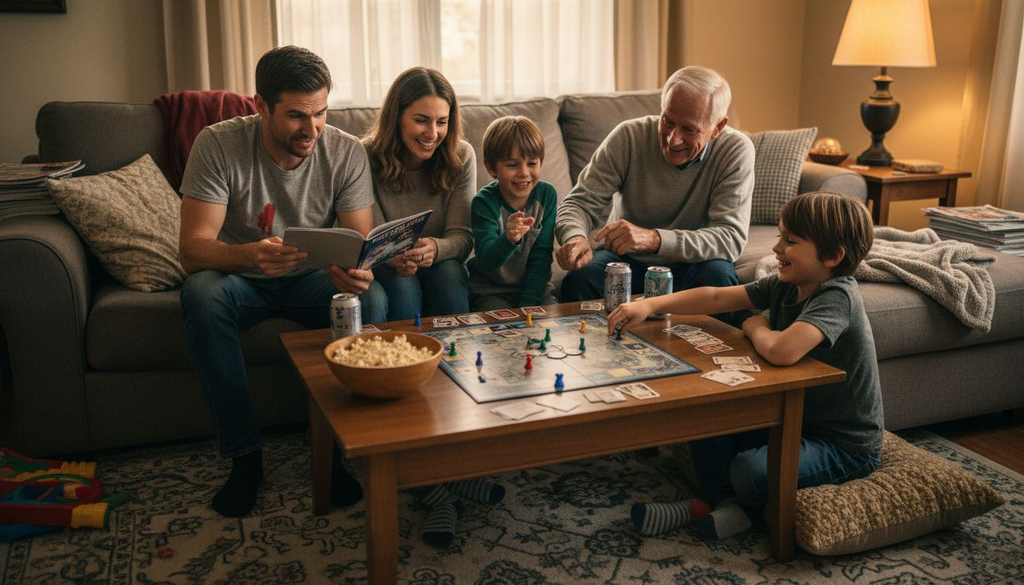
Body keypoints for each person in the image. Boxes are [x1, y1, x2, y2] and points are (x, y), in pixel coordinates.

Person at [608, 191, 883, 539]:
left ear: (832, 256)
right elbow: (715, 297)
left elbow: (782, 351)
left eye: (790, 240)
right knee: (703, 412)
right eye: (780, 236)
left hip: (843, 445)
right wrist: (649, 306)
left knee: (749, 470)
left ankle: (719, 506)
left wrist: (755, 325)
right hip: (791, 418)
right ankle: (724, 506)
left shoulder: (837, 296)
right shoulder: (788, 284)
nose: (776, 247)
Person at [178, 46, 377, 517]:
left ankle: (336, 452)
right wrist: (246, 254)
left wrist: (356, 271)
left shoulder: (345, 151)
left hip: (311, 280)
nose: (312, 130)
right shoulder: (218, 144)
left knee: (373, 300)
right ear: (260, 106)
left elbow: (360, 241)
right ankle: (245, 457)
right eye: (296, 116)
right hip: (240, 279)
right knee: (201, 296)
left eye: (321, 114)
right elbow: (191, 249)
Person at [554, 66, 754, 324]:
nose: (673, 139)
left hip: (695, 265)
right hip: (629, 260)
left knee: (720, 279)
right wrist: (575, 236)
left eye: (690, 129)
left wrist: (653, 239)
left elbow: (730, 239)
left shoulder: (735, 150)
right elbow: (579, 202)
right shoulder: (628, 136)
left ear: (717, 127)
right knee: (578, 281)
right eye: (667, 121)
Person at [361, 66, 475, 320]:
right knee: (403, 284)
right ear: (397, 117)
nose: (433, 134)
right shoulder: (364, 157)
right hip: (388, 264)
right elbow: (368, 236)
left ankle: (455, 357)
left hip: (441, 262)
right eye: (421, 120)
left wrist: (435, 248)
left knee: (450, 273)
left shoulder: (462, 156)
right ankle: (406, 357)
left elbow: (463, 236)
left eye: (442, 122)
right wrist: (394, 258)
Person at [468, 115, 558, 310]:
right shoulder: (483, 203)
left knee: (554, 326)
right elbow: (486, 262)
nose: (524, 172)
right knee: (499, 335)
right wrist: (508, 239)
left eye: (532, 163)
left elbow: (541, 257)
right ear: (492, 168)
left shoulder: (546, 195)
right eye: (512, 165)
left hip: (536, 290)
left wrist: (528, 307)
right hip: (491, 291)